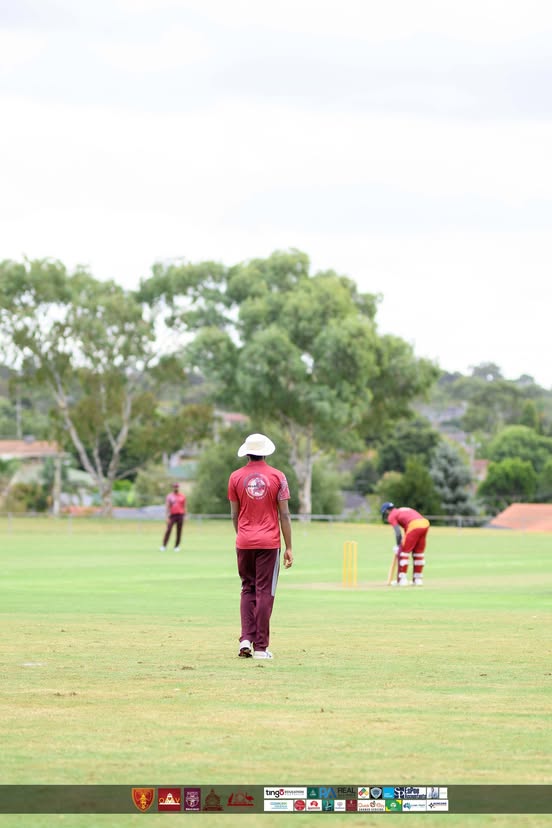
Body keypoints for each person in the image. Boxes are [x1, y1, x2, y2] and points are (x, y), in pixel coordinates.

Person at [228, 433, 293, 660]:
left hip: (244, 541)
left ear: (247, 452)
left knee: (248, 589)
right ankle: (261, 648)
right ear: (266, 451)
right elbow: (284, 514)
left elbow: (234, 515)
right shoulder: (278, 476)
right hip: (269, 543)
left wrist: (244, 536)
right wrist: (289, 547)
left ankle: (246, 638)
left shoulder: (235, 477)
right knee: (265, 592)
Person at [381, 501, 430, 586]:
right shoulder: (402, 510)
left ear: (387, 511)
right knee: (418, 553)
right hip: (425, 523)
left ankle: (401, 580)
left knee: (403, 552)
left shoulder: (392, 515)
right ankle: (417, 580)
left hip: (414, 525)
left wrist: (398, 546)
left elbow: (397, 532)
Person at [160, 482, 186, 551]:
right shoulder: (170, 496)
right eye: (174, 487)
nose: (176, 488)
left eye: (177, 487)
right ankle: (164, 546)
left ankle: (176, 546)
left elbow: (184, 506)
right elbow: (167, 506)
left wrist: (185, 516)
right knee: (168, 530)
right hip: (172, 515)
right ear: (173, 488)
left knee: (179, 531)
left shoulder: (182, 496)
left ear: (178, 487)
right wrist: (166, 517)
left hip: (180, 515)